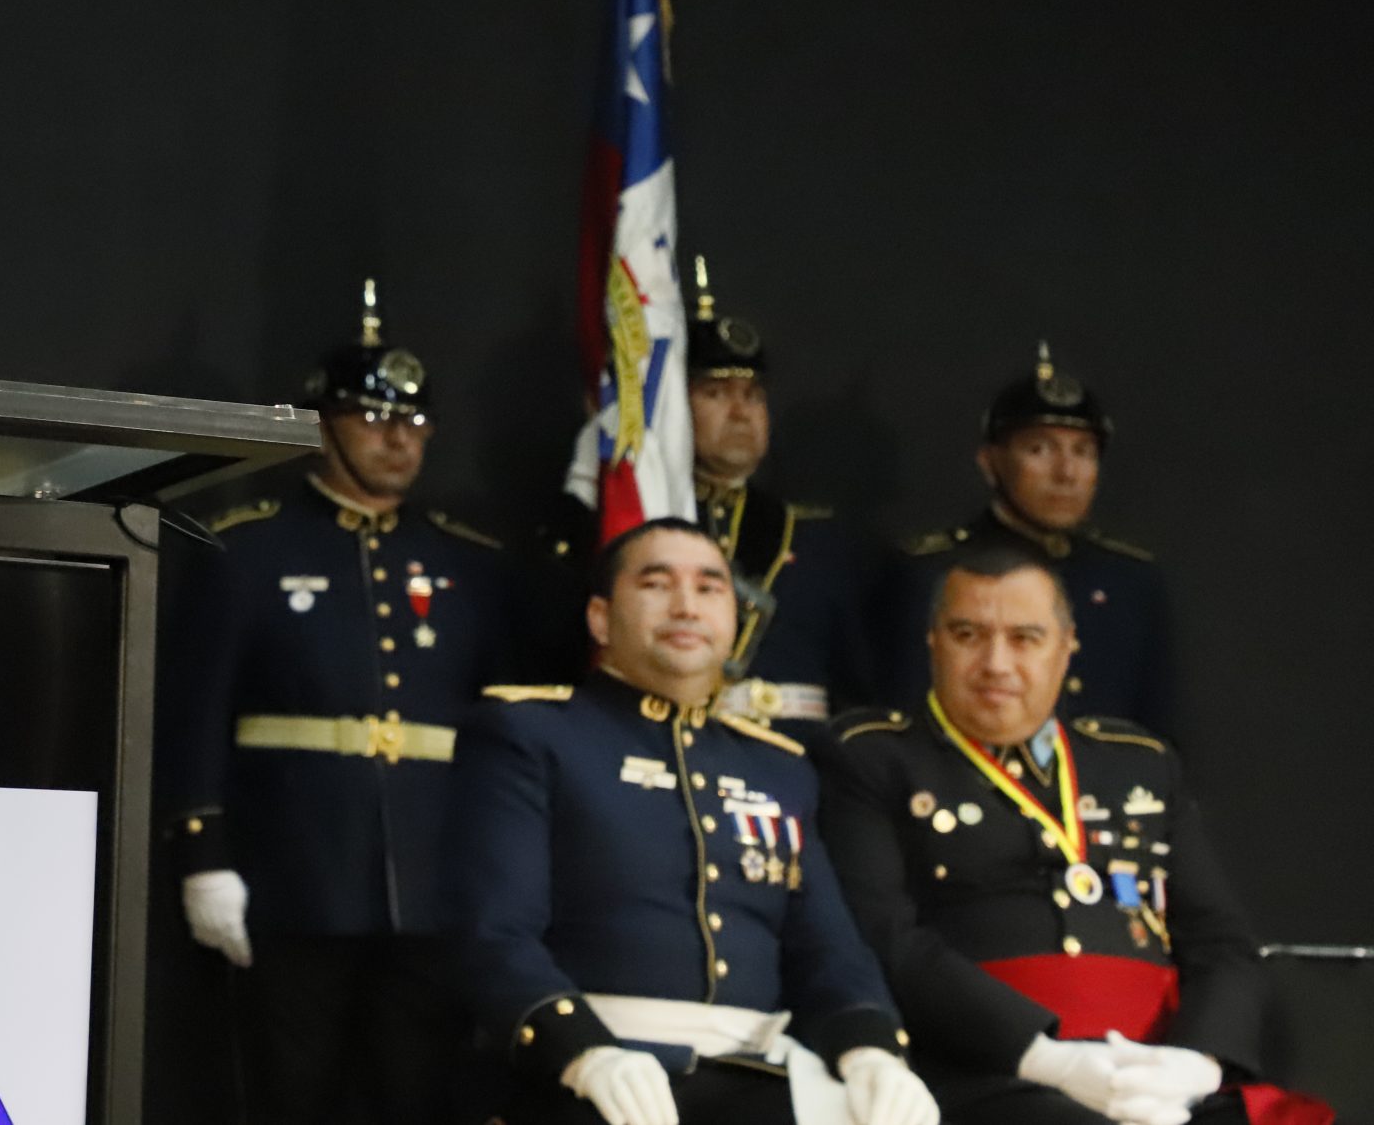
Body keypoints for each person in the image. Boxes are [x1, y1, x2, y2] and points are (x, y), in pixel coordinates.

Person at [162, 280, 580, 1123]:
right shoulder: (250, 548)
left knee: (416, 1094)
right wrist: (204, 853)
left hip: (433, 878)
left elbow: (506, 727)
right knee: (289, 1095)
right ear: (322, 425)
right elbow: (194, 710)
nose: (399, 438)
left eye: (416, 421)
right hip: (294, 877)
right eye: (375, 418)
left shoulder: (469, 563)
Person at [445, 518, 938, 1125]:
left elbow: (827, 949)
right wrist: (584, 1052)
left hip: (759, 1075)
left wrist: (871, 1052)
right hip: (591, 1073)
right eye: (656, 584)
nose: (686, 606)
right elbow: (494, 935)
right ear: (600, 618)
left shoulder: (779, 767)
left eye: (709, 588)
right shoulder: (532, 735)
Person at [818, 546, 1324, 1124]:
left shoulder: (1137, 762)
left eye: (1025, 638)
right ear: (932, 642)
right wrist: (1047, 1058)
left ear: (1067, 647)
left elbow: (1221, 943)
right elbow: (887, 938)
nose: (996, 664)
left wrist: (1196, 1064)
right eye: (968, 635)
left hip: (1159, 1070)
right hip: (993, 1070)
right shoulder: (874, 758)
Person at [886, 346, 1172, 734]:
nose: (1066, 472)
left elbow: (1158, 736)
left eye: (1083, 452)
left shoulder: (1129, 580)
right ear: (990, 463)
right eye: (1040, 449)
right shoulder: (930, 572)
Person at [680, 258, 879, 738]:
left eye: (752, 395)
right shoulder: (640, 520)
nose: (740, 412)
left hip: (793, 756)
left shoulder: (820, 543)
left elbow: (855, 691)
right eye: (715, 393)